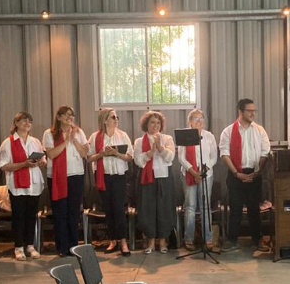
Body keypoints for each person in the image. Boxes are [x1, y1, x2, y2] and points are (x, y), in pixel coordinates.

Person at [219, 98, 271, 252]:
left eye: (254, 110)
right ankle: (232, 240)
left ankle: (257, 239)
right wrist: (236, 173)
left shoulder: (260, 130)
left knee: (254, 208)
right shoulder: (228, 131)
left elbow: (264, 152)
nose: (253, 113)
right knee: (235, 209)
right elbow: (224, 153)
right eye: (249, 110)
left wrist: (257, 172)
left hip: (254, 174)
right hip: (236, 174)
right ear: (240, 112)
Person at [0, 112, 46, 261]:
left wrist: (41, 162)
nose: (27, 123)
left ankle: (30, 245)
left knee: (31, 216)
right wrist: (24, 164)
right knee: (19, 217)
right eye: (24, 121)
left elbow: (43, 160)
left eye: (29, 121)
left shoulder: (35, 141)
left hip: (34, 183)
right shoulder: (9, 142)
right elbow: (4, 165)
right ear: (16, 123)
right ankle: (18, 247)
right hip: (17, 185)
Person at [87, 108, 134, 257]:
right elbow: (89, 158)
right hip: (103, 176)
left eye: (117, 117)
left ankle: (123, 241)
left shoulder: (122, 135)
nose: (116, 119)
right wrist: (101, 154)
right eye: (113, 117)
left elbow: (130, 156)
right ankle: (112, 239)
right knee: (108, 209)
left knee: (119, 209)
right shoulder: (95, 137)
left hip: (119, 176)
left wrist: (116, 154)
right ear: (105, 120)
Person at [44, 106, 89, 258]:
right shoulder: (49, 133)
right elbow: (51, 154)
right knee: (60, 212)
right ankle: (62, 247)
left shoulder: (79, 132)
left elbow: (84, 153)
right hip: (57, 176)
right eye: (66, 115)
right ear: (58, 117)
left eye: (72, 115)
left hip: (75, 175)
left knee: (73, 212)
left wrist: (74, 139)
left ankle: (73, 246)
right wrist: (65, 141)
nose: (70, 118)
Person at [134, 111, 177, 254]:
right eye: (152, 122)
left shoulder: (167, 139)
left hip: (164, 178)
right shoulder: (140, 141)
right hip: (147, 179)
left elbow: (170, 158)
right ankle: (150, 242)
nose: (155, 125)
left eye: (158, 123)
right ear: (146, 124)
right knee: (148, 209)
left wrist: (160, 147)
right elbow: (138, 161)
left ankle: (163, 242)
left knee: (164, 209)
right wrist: (151, 152)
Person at [177, 108, 218, 250]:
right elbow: (181, 157)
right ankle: (189, 238)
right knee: (190, 206)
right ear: (190, 122)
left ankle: (208, 238)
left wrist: (204, 170)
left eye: (201, 118)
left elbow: (214, 157)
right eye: (196, 118)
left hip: (206, 175)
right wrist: (193, 172)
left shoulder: (209, 136)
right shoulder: (184, 135)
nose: (199, 121)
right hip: (189, 174)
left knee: (205, 205)